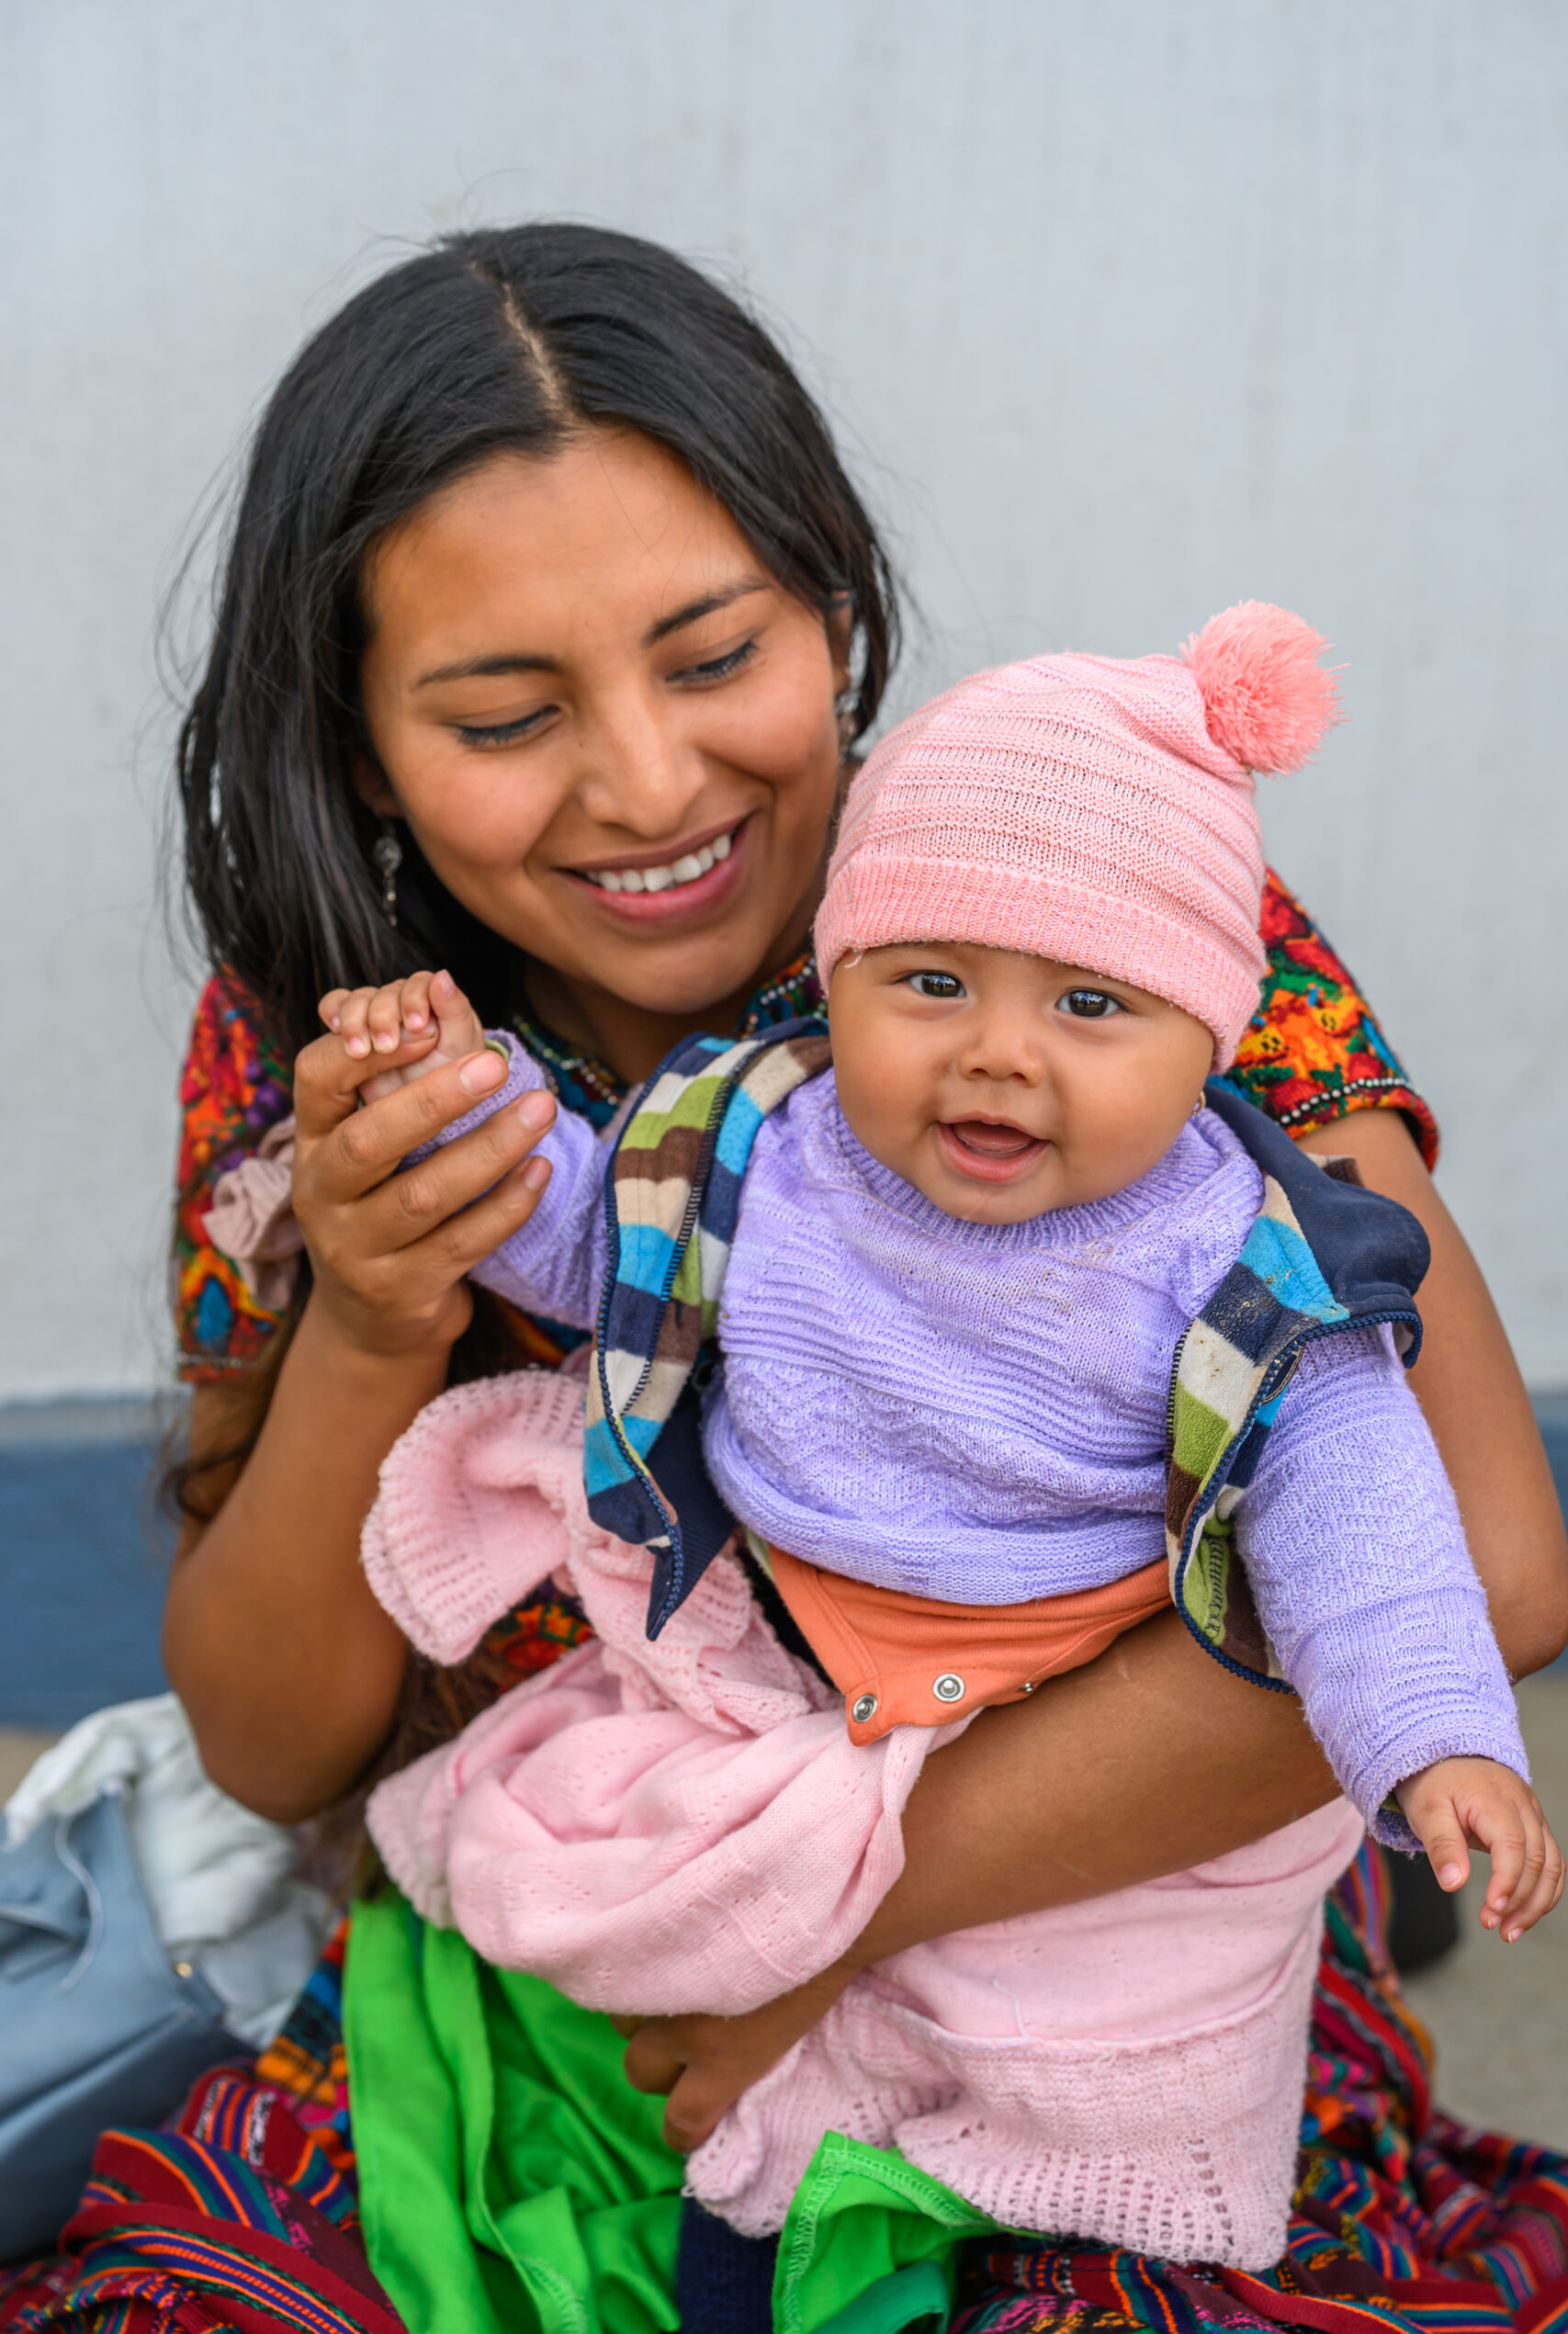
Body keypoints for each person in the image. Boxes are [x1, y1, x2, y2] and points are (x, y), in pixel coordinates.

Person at [5, 224, 1565, 2334]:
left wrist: (803, 1920)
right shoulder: (343, 1040)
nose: (648, 783)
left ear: (833, 610)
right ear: (362, 748)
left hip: (1075, 1939)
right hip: (561, 1955)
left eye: (712, 652)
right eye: (501, 711)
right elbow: (278, 1747)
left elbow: (1470, 1557)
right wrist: (377, 1322)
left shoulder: (1080, 899)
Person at [327, 607, 1558, 2275]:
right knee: (639, 1910)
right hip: (785, 1657)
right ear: (838, 981)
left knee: (1079, 2031)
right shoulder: (778, 1141)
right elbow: (588, 1237)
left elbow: (1370, 1526)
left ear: (1214, 1034)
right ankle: (757, 2233)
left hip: (1067, 1710)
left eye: (1091, 1004)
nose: (997, 1047)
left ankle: (1018, 2198)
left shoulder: (1246, 1264)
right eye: (929, 982)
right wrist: (463, 1117)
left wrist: (1439, 1742)